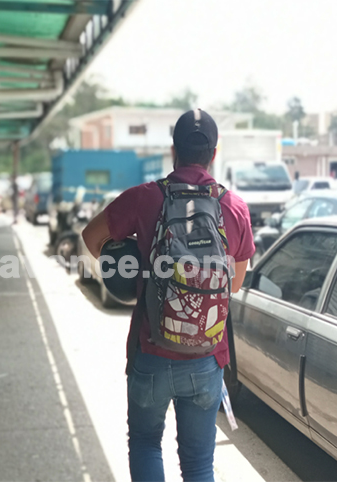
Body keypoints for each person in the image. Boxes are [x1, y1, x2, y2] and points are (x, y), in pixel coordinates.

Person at [82, 109, 255, 482]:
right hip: (207, 357)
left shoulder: (144, 198)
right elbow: (236, 283)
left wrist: (134, 269)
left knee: (145, 443)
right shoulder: (235, 207)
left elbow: (91, 239)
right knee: (197, 464)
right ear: (214, 150)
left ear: (172, 148)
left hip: (151, 350)